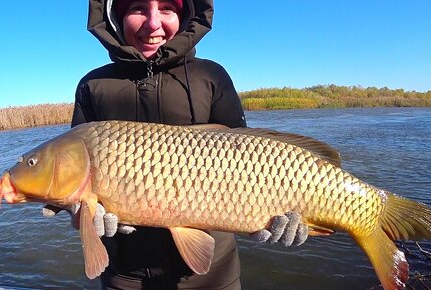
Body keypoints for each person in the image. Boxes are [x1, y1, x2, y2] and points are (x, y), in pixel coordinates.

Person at [45, 0, 308, 289]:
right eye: (138, 8)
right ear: (116, 16)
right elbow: (75, 173)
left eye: (167, 8)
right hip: (124, 274)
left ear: (185, 16)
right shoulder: (92, 85)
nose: (153, 23)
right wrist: (79, 212)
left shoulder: (211, 76)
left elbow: (248, 162)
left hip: (214, 276)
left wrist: (279, 210)